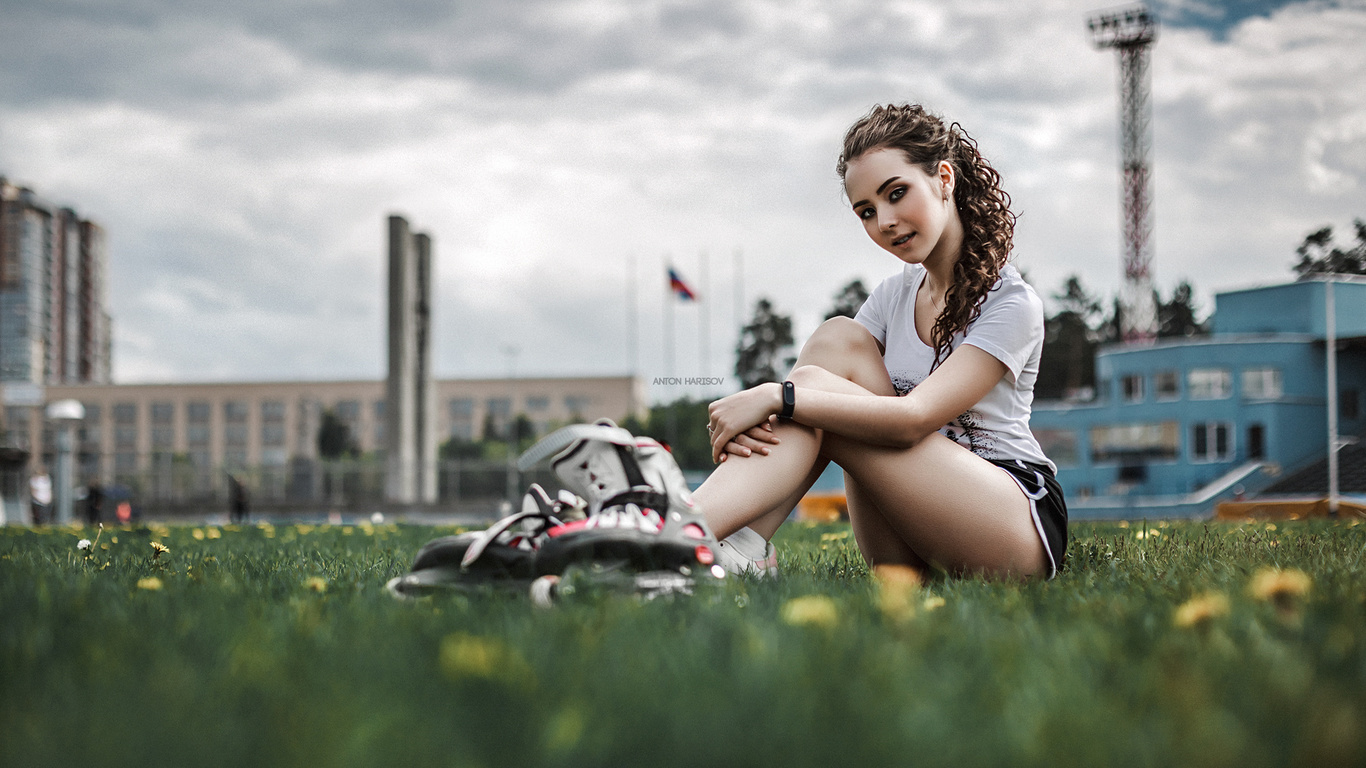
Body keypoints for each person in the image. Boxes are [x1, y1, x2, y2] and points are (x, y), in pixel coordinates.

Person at [696, 104, 1067, 580]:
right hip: (906, 537)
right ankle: (739, 546)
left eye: (897, 194)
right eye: (867, 211)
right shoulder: (894, 296)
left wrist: (777, 396)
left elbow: (912, 421)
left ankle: (671, 529)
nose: (885, 221)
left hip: (1011, 525)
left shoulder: (1012, 303)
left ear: (944, 179)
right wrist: (795, 401)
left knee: (808, 390)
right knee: (836, 342)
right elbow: (829, 387)